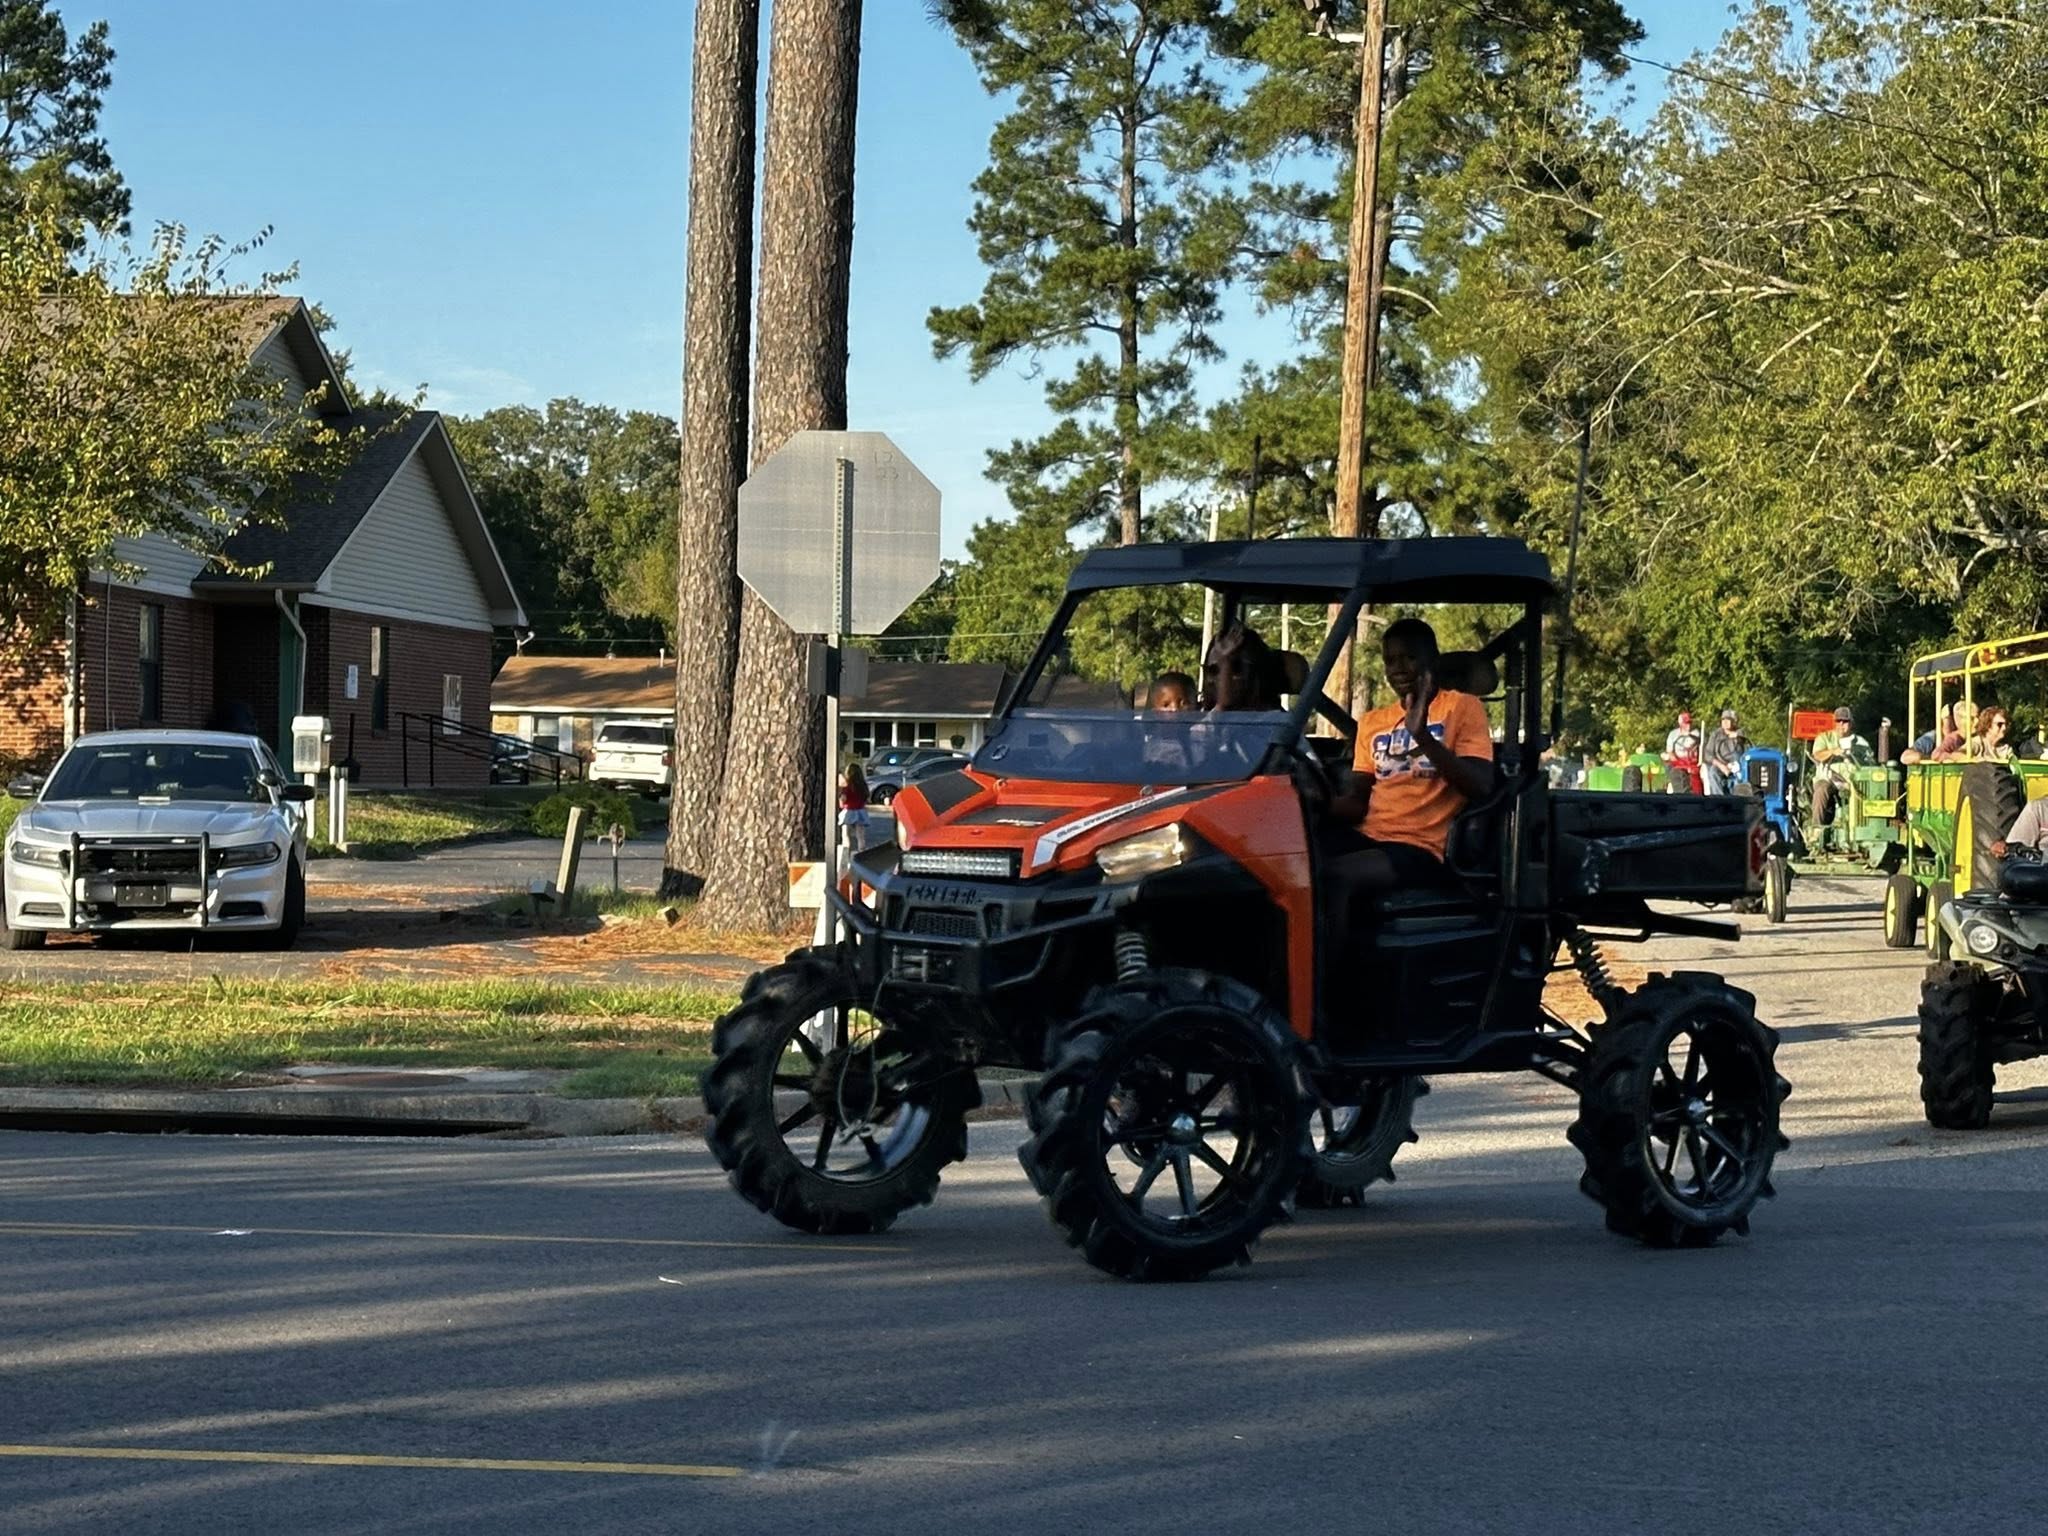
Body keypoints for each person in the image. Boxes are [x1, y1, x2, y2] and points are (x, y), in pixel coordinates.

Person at [1314, 618, 1494, 952]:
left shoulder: (1462, 707)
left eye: (1410, 658)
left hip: (1422, 846)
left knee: (1334, 877)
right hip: (1370, 836)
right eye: (1390, 660)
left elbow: (1480, 786)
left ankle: (1323, 980)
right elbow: (1358, 800)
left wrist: (1422, 736)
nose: (1398, 668)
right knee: (1288, 862)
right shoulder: (1372, 722)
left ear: (1432, 660)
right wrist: (1313, 799)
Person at [1810, 706, 1874, 830]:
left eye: (1845, 721)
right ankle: (1817, 828)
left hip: (1853, 781)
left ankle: (1866, 828)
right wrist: (1832, 751)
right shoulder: (1824, 737)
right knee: (1821, 789)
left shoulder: (1861, 743)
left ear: (1851, 723)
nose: (1841, 724)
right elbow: (1817, 756)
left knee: (1870, 791)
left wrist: (1855, 755)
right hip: (1829, 779)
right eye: (1838, 721)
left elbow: (1871, 764)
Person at [1703, 709, 1746, 795]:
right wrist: (1721, 766)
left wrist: (1738, 736)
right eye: (1723, 720)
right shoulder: (1715, 734)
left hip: (1738, 765)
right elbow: (1708, 754)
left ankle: (1741, 797)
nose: (1725, 722)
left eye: (1728, 720)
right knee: (1713, 772)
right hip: (1721, 764)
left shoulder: (1740, 733)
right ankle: (1719, 799)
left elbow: (1746, 740)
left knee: (1745, 773)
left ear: (1734, 722)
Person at [1663, 711, 1703, 794]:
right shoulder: (1673, 734)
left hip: (1693, 762)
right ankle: (1680, 793)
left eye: (1689, 723)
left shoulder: (1697, 733)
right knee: (1674, 770)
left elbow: (1701, 749)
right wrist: (1679, 762)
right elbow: (1670, 752)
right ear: (1680, 723)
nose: (1688, 725)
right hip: (1678, 761)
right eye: (1686, 723)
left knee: (1704, 771)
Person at [838, 762, 870, 853]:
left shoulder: (848, 787)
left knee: (846, 834)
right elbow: (866, 798)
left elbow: (843, 799)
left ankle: (846, 852)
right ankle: (861, 852)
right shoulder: (863, 786)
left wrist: (840, 802)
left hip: (849, 811)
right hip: (860, 811)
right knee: (860, 835)